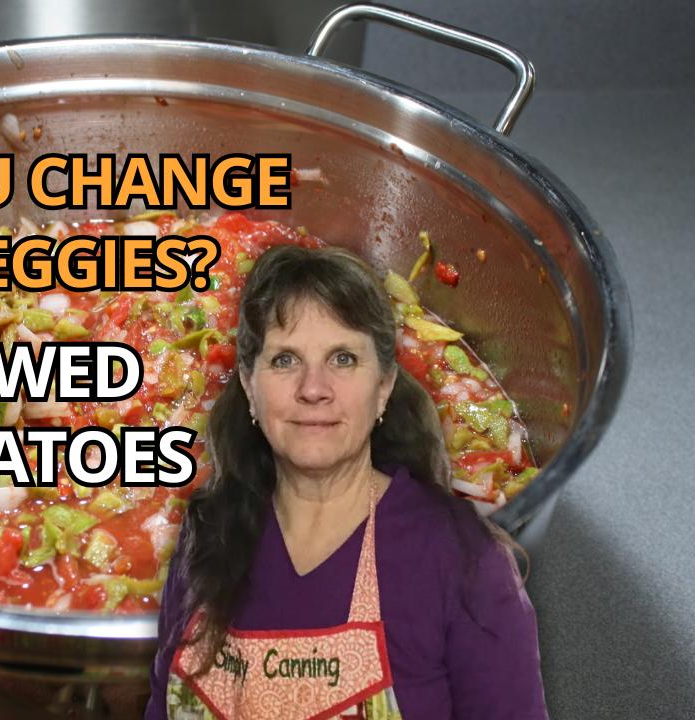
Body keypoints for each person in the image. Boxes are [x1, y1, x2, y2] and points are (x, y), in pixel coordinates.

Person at [145, 244, 548, 719]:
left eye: (342, 359)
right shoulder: (205, 537)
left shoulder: (459, 557)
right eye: (285, 360)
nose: (313, 388)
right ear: (250, 389)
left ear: (384, 387)